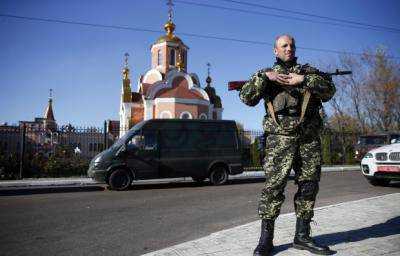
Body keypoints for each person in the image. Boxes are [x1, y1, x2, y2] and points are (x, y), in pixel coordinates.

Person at [239, 34, 336, 256]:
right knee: (273, 188)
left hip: (308, 139)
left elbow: (330, 90)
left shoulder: (309, 72)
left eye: (291, 45)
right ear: (276, 50)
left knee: (309, 186)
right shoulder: (265, 74)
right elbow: (246, 97)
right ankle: (266, 240)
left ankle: (302, 236)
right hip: (279, 140)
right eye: (284, 46)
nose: (289, 48)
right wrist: (265, 77)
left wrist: (302, 80)